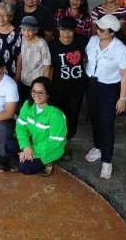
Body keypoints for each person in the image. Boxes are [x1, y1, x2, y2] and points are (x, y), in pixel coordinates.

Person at [84, 14, 126, 180]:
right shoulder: (92, 41)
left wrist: (122, 98)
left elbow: (125, 74)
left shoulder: (121, 50)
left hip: (109, 89)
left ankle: (107, 160)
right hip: (92, 84)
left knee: (106, 123)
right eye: (98, 27)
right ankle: (98, 147)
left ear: (112, 32)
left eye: (102, 29)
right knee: (95, 118)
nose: (98, 30)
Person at [49, 17, 88, 158]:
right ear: (58, 30)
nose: (66, 34)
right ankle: (57, 143)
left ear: (75, 31)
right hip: (58, 89)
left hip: (77, 89)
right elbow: (50, 68)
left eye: (70, 31)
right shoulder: (52, 46)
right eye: (63, 30)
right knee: (59, 116)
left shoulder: (82, 42)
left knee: (72, 116)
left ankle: (66, 144)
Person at [16, 76, 67, 176]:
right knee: (8, 144)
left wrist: (32, 151)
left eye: (40, 92)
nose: (36, 95)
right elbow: (20, 127)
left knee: (25, 167)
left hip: (50, 149)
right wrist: (26, 146)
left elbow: (54, 142)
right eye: (33, 91)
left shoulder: (55, 114)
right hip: (32, 143)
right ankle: (23, 156)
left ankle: (48, 162)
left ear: (48, 94)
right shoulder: (28, 104)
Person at [16, 16, 52, 101]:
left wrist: (44, 85)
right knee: (24, 103)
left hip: (36, 83)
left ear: (35, 30)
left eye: (29, 30)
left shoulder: (42, 44)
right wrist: (18, 75)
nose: (26, 33)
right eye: (23, 30)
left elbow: (47, 65)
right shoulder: (23, 39)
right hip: (24, 79)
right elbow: (21, 56)